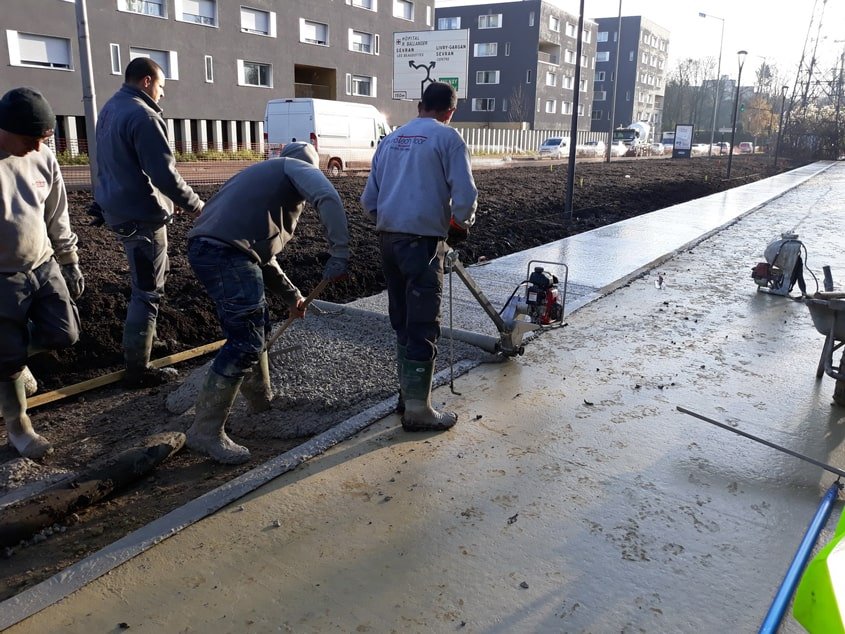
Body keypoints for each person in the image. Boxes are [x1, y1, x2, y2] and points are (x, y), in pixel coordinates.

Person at [185, 142, 350, 464]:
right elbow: (328, 196)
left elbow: (262, 257)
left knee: (256, 329)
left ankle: (260, 402)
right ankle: (204, 431)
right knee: (245, 340)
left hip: (211, 249)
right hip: (225, 254)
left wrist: (292, 297)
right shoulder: (294, 167)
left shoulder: (258, 180)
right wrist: (340, 252)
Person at [360, 81, 477, 432]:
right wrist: (460, 224)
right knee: (424, 320)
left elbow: (369, 202)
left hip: (388, 239)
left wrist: (392, 222)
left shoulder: (390, 140)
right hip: (423, 242)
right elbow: (466, 196)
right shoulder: (448, 138)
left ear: (419, 105)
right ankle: (418, 410)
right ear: (450, 111)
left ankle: (406, 396)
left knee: (403, 318)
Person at [94, 57, 204, 388]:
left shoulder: (111, 108)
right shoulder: (143, 115)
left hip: (120, 208)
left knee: (151, 280)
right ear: (146, 81)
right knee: (147, 292)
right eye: (161, 86)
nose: (162, 94)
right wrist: (196, 204)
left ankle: (144, 339)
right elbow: (163, 173)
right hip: (142, 217)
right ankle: (138, 367)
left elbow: (115, 162)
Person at [0, 87, 84, 459]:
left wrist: (70, 260)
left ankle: (12, 356)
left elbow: (56, 212)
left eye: (43, 139)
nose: (36, 147)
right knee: (7, 359)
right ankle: (19, 427)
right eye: (30, 139)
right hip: (3, 276)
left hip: (43, 264)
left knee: (65, 333)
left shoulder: (43, 157)